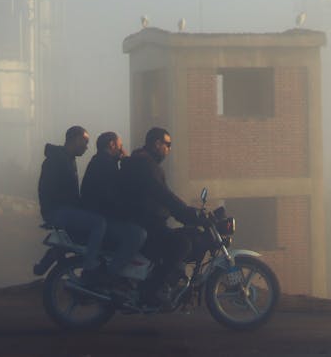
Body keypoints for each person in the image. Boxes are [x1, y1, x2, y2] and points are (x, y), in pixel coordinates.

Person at [119, 127, 205, 305]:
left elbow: (163, 197)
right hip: (143, 223)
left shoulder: (145, 163)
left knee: (183, 237)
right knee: (182, 244)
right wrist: (188, 213)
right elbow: (162, 195)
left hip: (146, 221)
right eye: (168, 144)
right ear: (157, 144)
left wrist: (185, 213)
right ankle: (149, 292)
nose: (169, 149)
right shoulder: (145, 165)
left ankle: (165, 284)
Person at [38, 125, 106, 273]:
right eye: (85, 142)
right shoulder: (56, 160)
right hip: (57, 211)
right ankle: (89, 264)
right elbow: (49, 190)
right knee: (99, 223)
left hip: (61, 210)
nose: (87, 147)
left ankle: (47, 261)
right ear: (75, 139)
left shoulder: (67, 159)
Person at [80, 131, 147, 277]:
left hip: (101, 215)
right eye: (120, 146)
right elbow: (112, 197)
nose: (122, 149)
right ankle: (111, 274)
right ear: (112, 144)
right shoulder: (104, 164)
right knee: (137, 234)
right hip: (102, 217)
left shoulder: (102, 162)